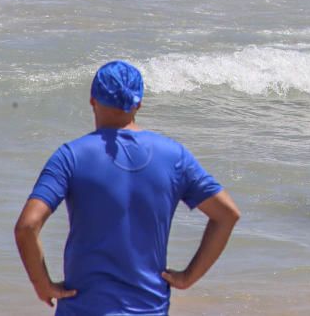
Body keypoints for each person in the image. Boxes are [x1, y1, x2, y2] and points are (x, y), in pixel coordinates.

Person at [14, 61, 240, 315]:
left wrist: (42, 284)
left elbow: (27, 226)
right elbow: (227, 214)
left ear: (92, 100)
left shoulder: (71, 156)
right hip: (149, 309)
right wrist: (188, 277)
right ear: (139, 104)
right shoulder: (174, 157)